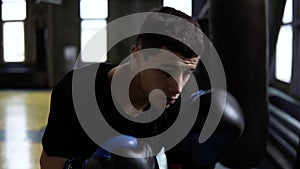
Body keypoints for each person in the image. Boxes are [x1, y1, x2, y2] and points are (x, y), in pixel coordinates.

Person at [40, 6, 244, 169]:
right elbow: (50, 163)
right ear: (137, 55)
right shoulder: (78, 92)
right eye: (166, 71)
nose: (177, 87)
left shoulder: (176, 103)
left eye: (186, 73)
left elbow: (177, 164)